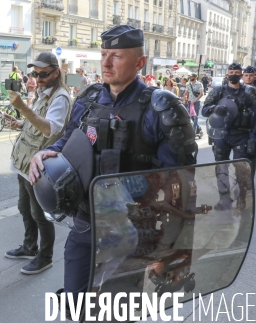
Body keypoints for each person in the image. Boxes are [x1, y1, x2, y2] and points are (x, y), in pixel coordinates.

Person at [28, 25, 197, 307]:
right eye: (104, 54)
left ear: (139, 62)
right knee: (75, 304)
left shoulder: (162, 109)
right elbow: (69, 142)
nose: (105, 63)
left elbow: (181, 186)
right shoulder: (89, 98)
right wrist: (47, 153)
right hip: (86, 222)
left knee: (117, 311)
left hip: (135, 230)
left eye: (116, 56)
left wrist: (169, 249)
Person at [5, 52, 72, 274]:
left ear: (56, 72)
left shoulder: (60, 97)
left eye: (43, 74)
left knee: (40, 214)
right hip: (24, 161)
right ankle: (29, 246)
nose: (39, 78)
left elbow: (49, 128)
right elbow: (36, 123)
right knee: (24, 208)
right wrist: (20, 123)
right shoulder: (44, 93)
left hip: (37, 166)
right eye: (35, 73)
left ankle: (45, 257)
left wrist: (23, 107)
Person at [201, 63, 256, 174]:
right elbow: (204, 111)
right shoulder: (218, 91)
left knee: (242, 171)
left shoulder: (249, 92)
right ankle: (224, 191)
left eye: (236, 73)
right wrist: (214, 108)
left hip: (242, 135)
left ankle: (242, 191)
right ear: (227, 75)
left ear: (241, 75)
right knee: (221, 168)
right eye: (231, 73)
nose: (233, 75)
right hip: (221, 135)